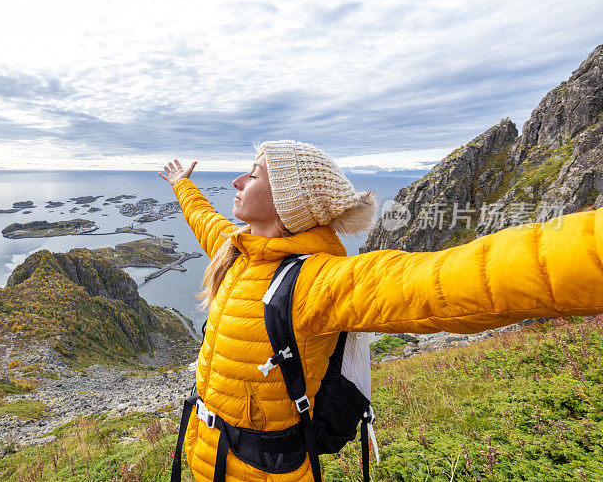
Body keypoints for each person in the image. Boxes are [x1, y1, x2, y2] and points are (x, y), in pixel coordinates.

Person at [158, 140, 603, 482]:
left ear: (288, 203)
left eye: (253, 176)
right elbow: (207, 222)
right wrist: (182, 185)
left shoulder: (320, 283)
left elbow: (456, 279)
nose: (237, 182)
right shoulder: (239, 253)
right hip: (205, 454)